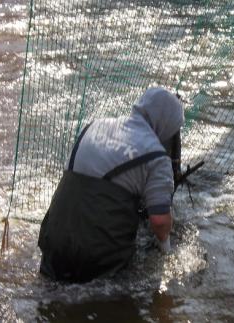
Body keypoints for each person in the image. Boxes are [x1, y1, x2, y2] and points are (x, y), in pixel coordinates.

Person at [37, 87, 184, 283]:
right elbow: (159, 221)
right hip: (97, 255)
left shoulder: (94, 125)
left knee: (51, 290)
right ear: (167, 125)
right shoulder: (157, 156)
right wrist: (167, 255)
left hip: (53, 240)